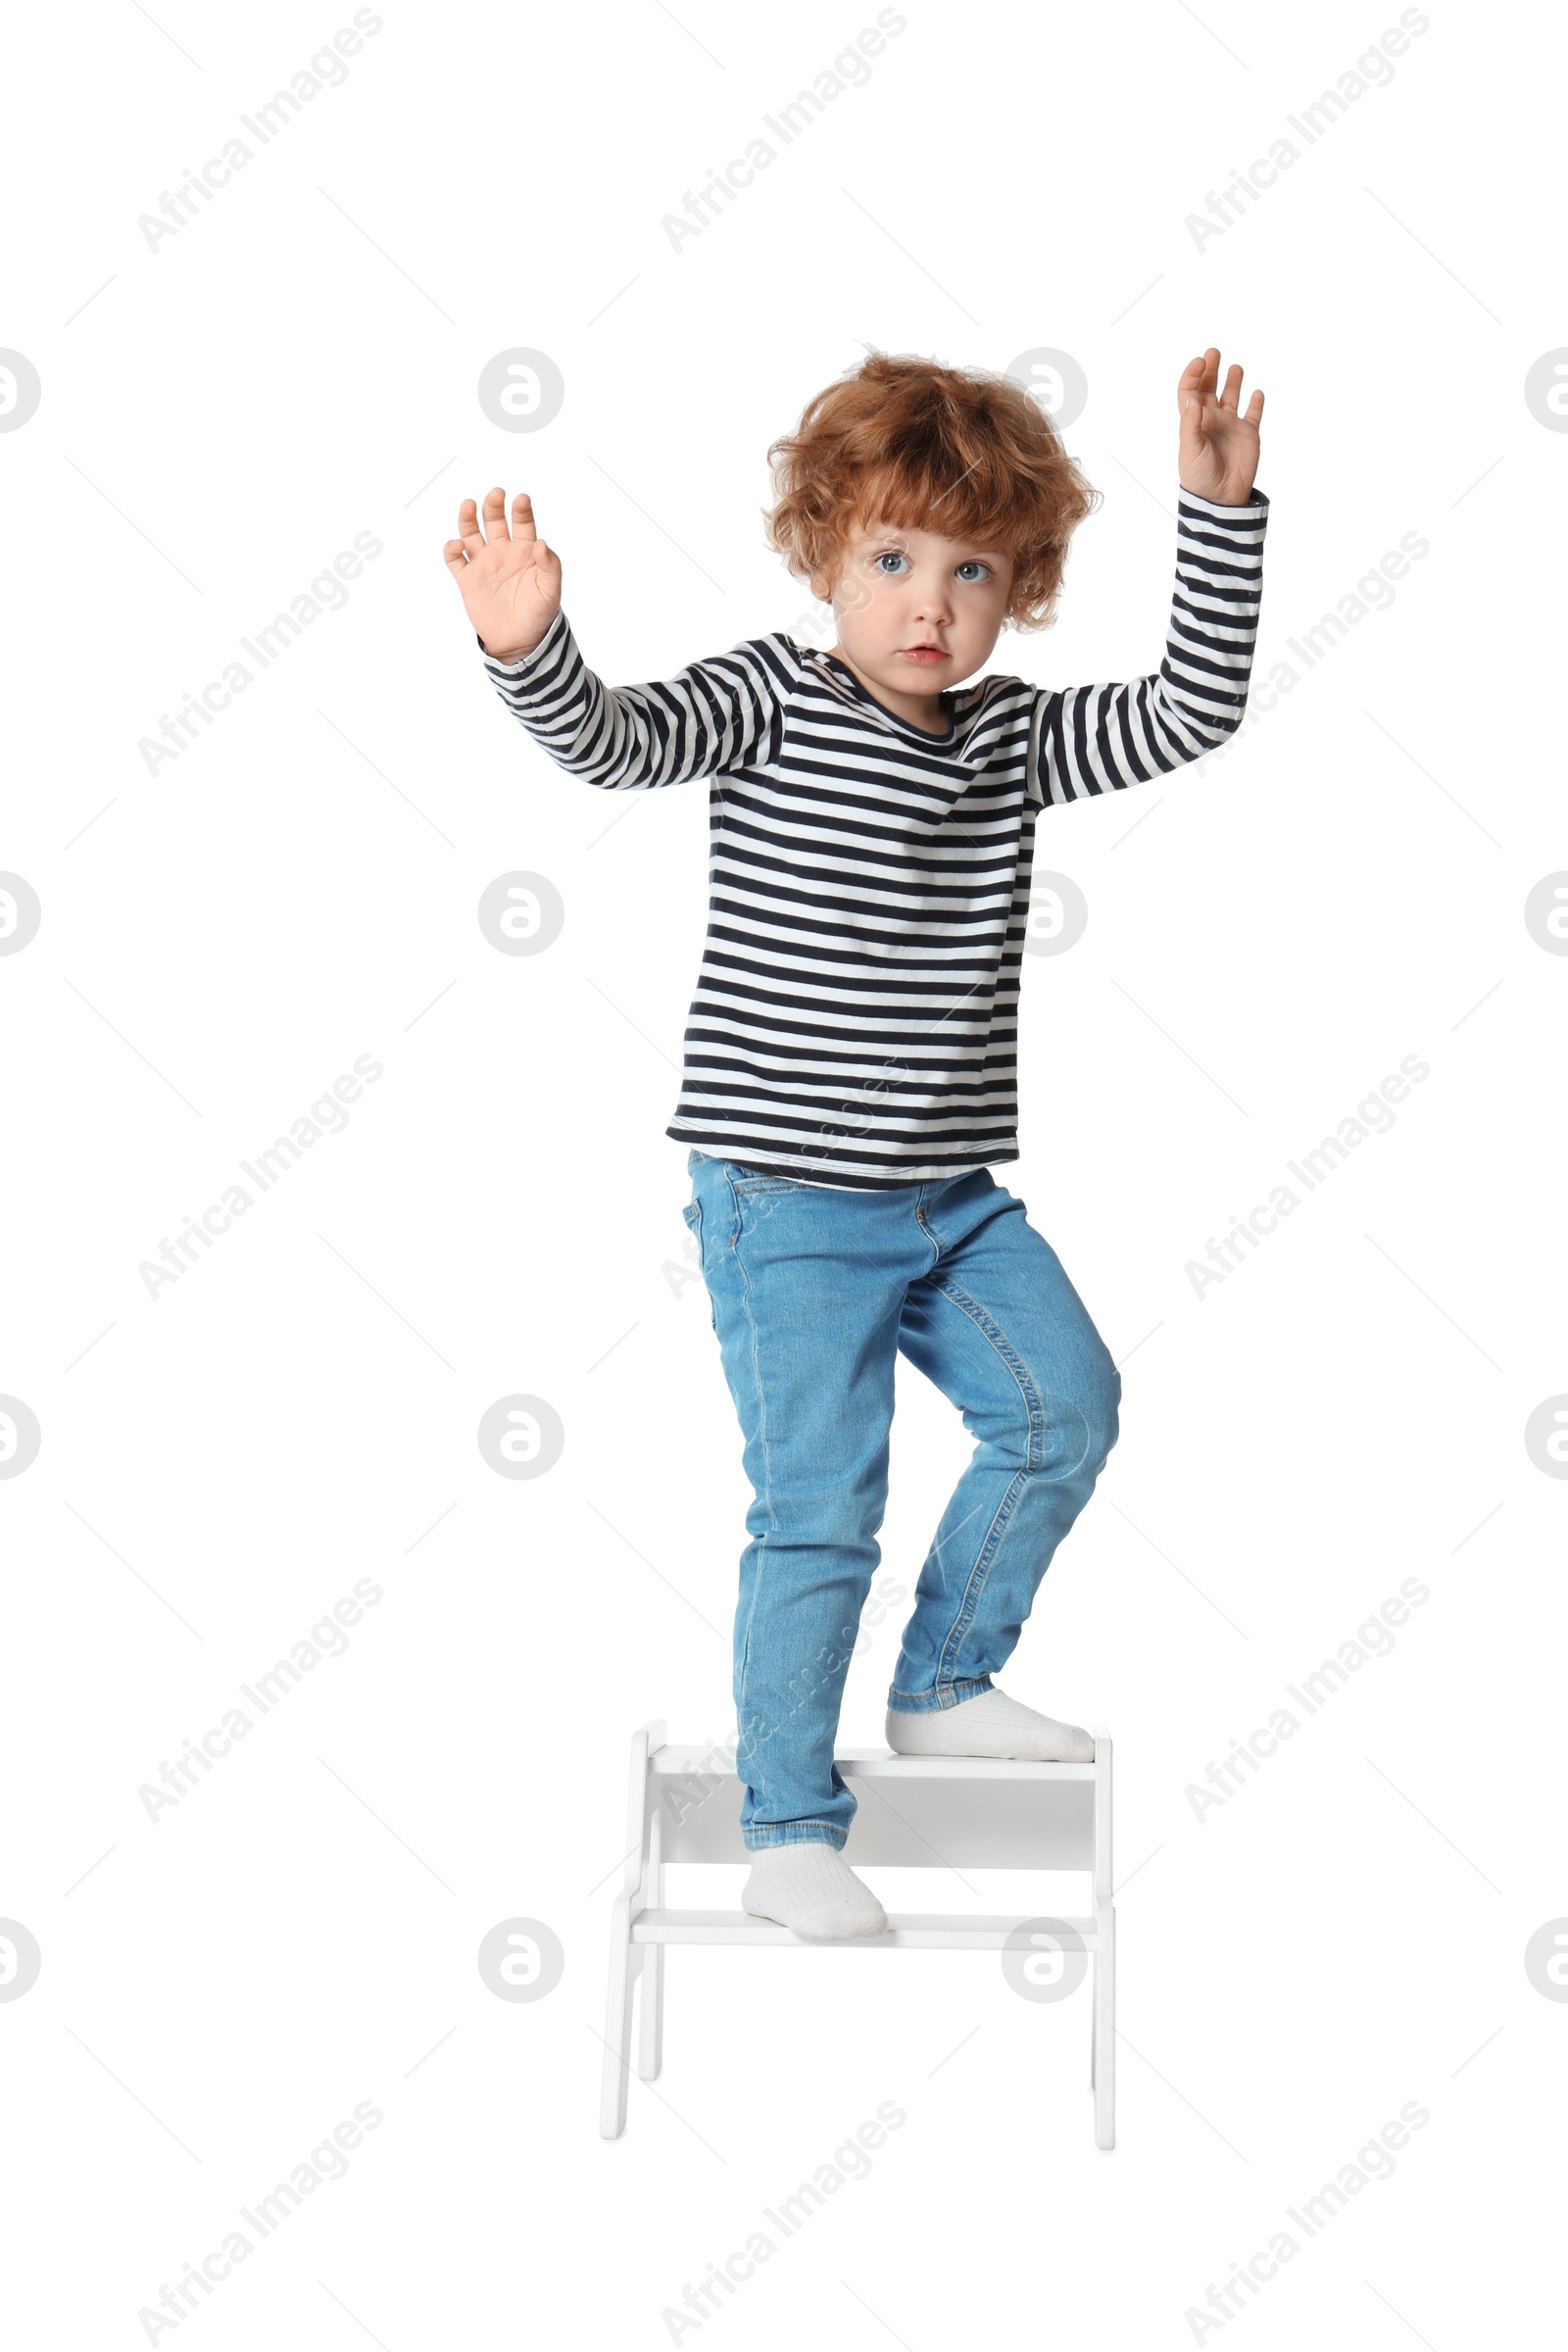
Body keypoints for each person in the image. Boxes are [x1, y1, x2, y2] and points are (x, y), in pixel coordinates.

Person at [445, 346, 1267, 1939]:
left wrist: (1219, 513)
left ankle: (945, 1681)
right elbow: (613, 743)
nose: (930, 604)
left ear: (1015, 593)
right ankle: (788, 1828)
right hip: (788, 1200)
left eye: (973, 572)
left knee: (1067, 1409)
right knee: (821, 1502)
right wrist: (531, 642)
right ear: (825, 557)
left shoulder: (1011, 737)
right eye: (891, 560)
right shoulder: (768, 694)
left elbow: (1192, 709)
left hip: (950, 1200)